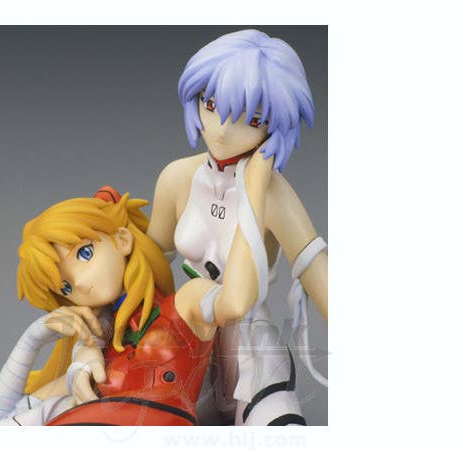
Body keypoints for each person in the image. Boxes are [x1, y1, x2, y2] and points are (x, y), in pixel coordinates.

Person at [146, 29, 328, 426]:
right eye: (210, 104)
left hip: (252, 353)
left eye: (254, 119)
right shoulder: (177, 178)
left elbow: (319, 275)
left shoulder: (273, 194)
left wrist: (256, 187)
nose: (223, 129)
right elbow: (149, 270)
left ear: (275, 126)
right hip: (186, 344)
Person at [0, 187, 263, 426]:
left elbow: (236, 303)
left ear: (122, 239)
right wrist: (34, 338)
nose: (80, 282)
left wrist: (253, 190)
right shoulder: (96, 348)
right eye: (66, 288)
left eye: (85, 253)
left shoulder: (185, 303)